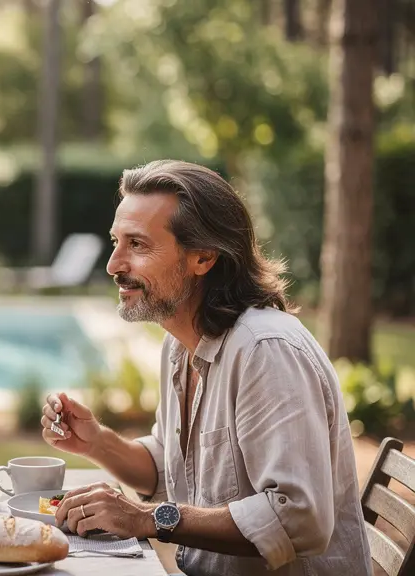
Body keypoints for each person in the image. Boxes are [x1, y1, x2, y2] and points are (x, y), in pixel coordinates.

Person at [40, 160, 372, 576]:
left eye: (138, 245)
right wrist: (96, 443)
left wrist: (145, 519)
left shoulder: (265, 352)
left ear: (203, 257)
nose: (114, 265)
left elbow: (299, 518)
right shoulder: (180, 345)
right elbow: (170, 465)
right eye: (116, 242)